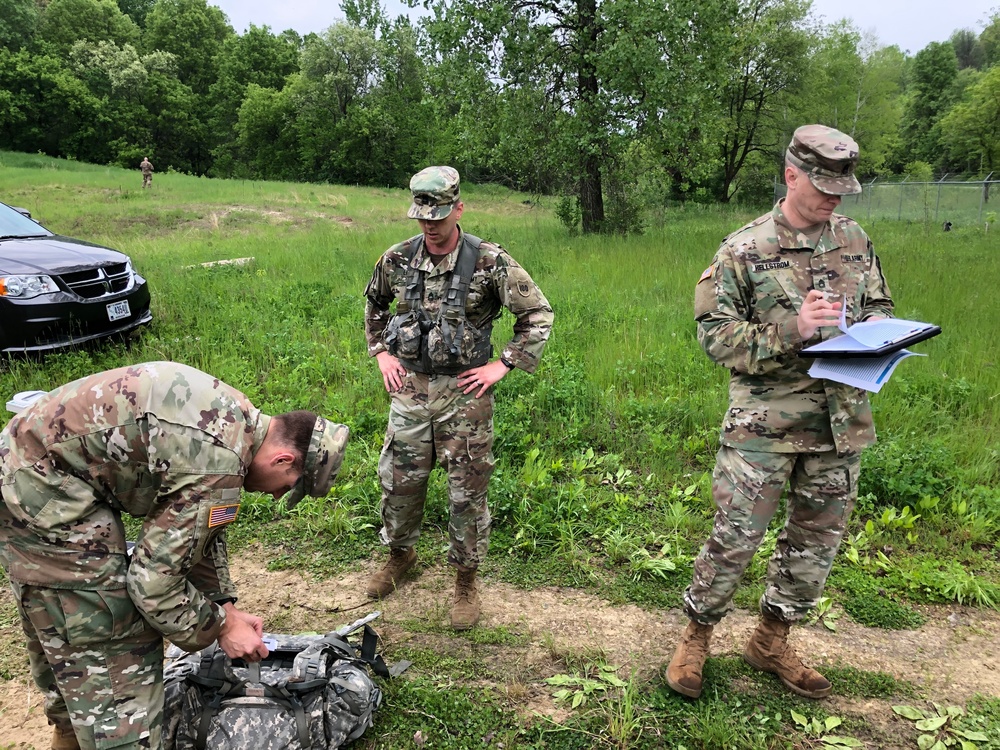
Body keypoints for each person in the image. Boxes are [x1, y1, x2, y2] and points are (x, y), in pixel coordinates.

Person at [0, 362, 349, 750]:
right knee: (116, 665)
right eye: (289, 487)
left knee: (72, 646)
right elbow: (152, 583)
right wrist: (220, 627)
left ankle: (73, 730)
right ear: (283, 460)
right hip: (43, 487)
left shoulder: (235, 422)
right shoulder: (217, 463)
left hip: (29, 466)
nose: (278, 495)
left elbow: (194, 534)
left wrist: (223, 605)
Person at [666, 125, 894, 700]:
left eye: (843, 187)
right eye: (823, 184)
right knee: (735, 539)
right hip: (764, 426)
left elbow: (879, 303)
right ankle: (696, 636)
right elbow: (716, 339)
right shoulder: (745, 249)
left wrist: (875, 328)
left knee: (815, 545)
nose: (834, 198)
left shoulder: (855, 239)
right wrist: (796, 329)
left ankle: (771, 639)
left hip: (839, 423)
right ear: (791, 174)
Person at [363, 166, 553, 630]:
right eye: (422, 216)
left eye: (439, 215)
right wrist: (381, 352)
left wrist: (502, 363)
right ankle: (400, 556)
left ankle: (466, 579)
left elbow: (538, 314)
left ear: (459, 208)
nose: (430, 224)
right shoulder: (397, 258)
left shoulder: (490, 261)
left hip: (464, 396)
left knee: (467, 491)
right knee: (399, 482)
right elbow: (373, 305)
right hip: (409, 389)